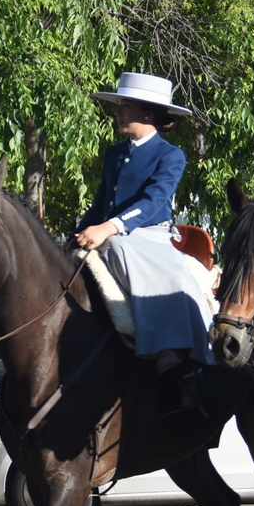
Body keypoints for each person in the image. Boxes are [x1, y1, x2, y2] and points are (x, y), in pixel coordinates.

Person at [73, 71, 215, 372]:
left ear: (148, 113)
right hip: (109, 231)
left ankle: (169, 345)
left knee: (118, 247)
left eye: (126, 104)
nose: (118, 110)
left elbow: (153, 202)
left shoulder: (171, 155)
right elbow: (100, 203)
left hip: (150, 234)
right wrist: (80, 232)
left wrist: (109, 227)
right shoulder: (114, 154)